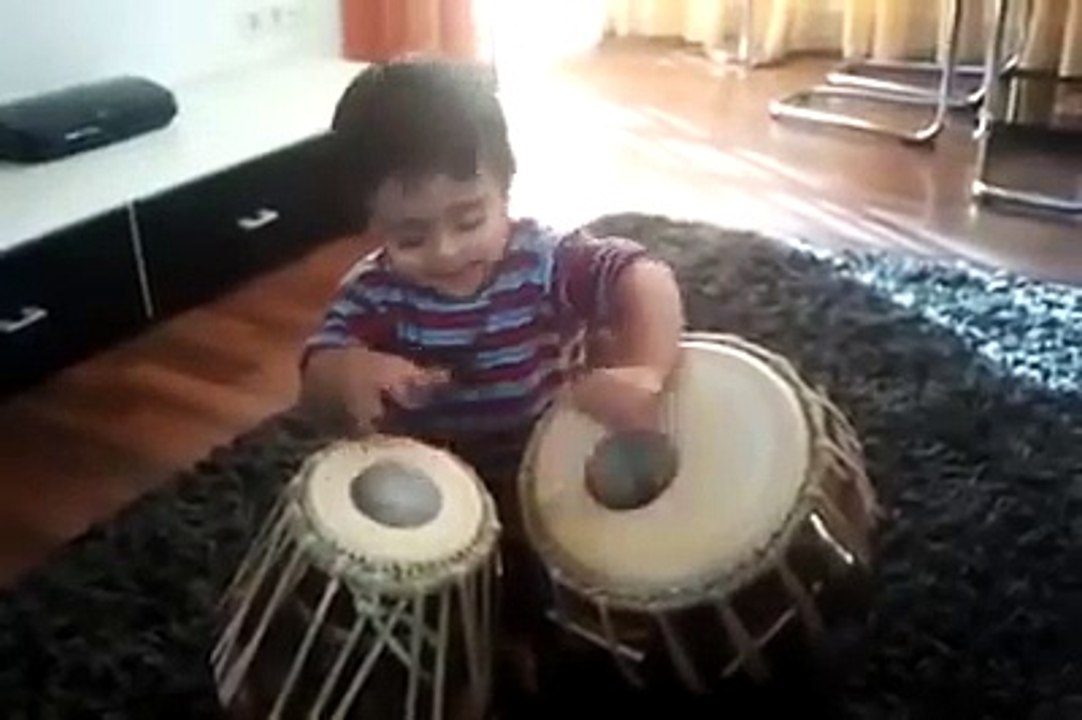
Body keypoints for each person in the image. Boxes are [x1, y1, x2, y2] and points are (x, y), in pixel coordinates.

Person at [298, 55, 685, 706]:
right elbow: (315, 378)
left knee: (610, 566)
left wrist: (645, 368)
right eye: (411, 236)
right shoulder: (374, 297)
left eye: (469, 219)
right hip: (439, 501)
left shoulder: (543, 261)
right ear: (371, 225)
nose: (446, 250)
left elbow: (644, 277)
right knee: (420, 615)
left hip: (553, 474)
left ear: (505, 187)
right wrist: (348, 372)